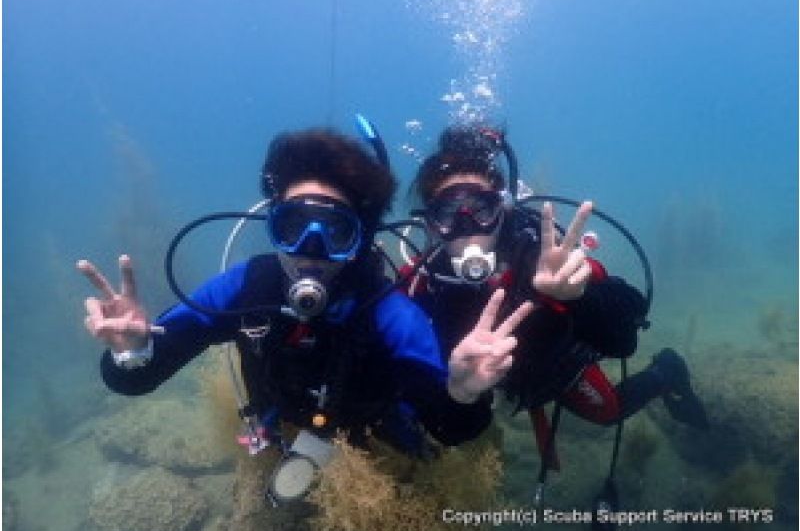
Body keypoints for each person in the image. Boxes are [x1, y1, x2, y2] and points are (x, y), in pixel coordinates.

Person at [77, 128, 534, 470]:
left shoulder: (389, 313)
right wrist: (132, 352)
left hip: (375, 437)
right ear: (273, 226)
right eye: (294, 226)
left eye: (334, 230)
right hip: (282, 428)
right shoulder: (245, 288)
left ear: (359, 240)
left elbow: (453, 430)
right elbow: (134, 381)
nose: (311, 249)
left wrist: (463, 392)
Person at [402, 124, 708, 467]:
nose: (468, 227)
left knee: (609, 412)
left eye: (481, 209)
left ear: (502, 211)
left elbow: (625, 339)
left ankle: (666, 372)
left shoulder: (542, 258)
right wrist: (460, 393)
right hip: (489, 383)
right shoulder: (420, 283)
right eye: (447, 214)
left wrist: (579, 296)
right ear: (429, 224)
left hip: (554, 367)